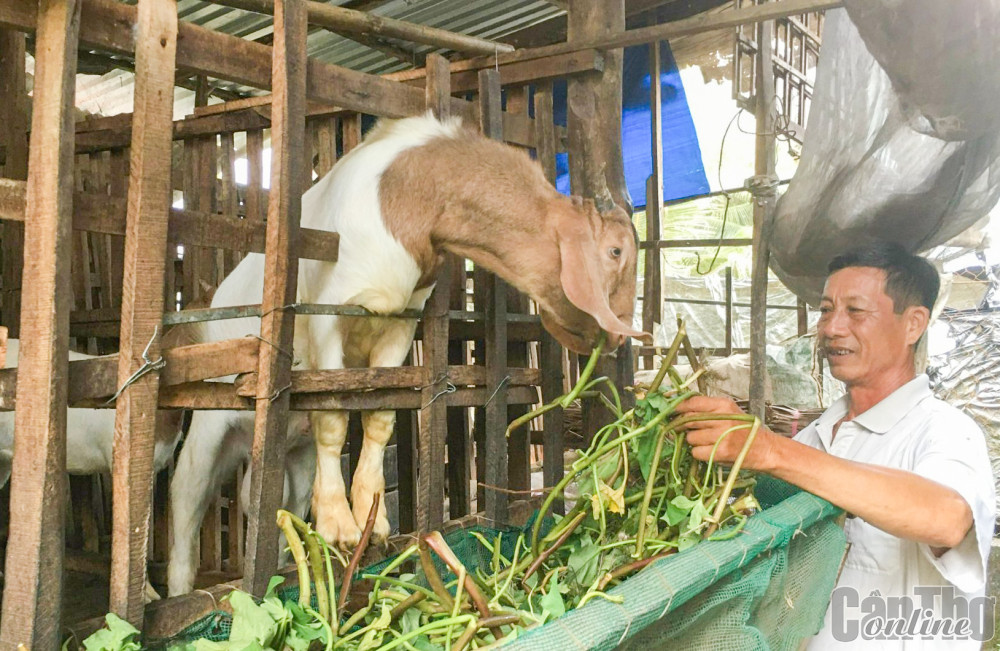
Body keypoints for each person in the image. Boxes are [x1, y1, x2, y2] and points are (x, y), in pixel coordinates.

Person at [675, 241, 995, 649]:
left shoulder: (945, 431)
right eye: (826, 310)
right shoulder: (816, 437)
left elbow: (946, 518)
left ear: (913, 324)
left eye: (856, 311)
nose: (831, 328)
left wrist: (769, 450)